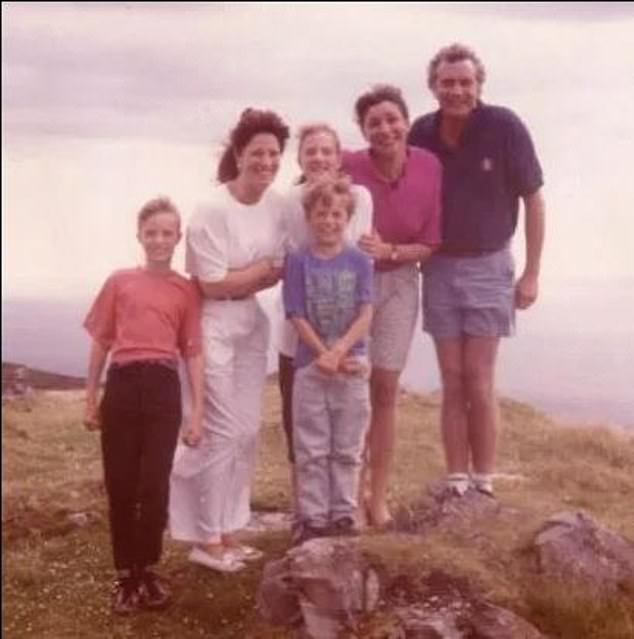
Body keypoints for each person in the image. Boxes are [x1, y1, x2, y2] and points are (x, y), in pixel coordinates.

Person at [408, 43, 545, 497]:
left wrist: (531, 272)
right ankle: (456, 479)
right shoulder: (421, 133)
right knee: (451, 378)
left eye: (465, 82)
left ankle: (483, 481)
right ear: (434, 86)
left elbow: (534, 199)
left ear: (478, 85)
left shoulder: (504, 126)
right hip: (439, 267)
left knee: (479, 378)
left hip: (490, 264)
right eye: (448, 82)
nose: (457, 90)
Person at [169, 108, 289, 572]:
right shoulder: (212, 210)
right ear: (239, 154)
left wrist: (247, 277)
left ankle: (231, 528)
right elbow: (211, 284)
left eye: (274, 153)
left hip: (250, 324)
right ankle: (205, 537)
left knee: (247, 431)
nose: (266, 161)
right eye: (257, 152)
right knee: (218, 433)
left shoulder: (278, 205)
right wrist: (257, 272)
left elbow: (275, 268)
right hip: (211, 325)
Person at [83, 197, 203, 615]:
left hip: (163, 385)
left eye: (166, 233)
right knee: (121, 484)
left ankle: (148, 569)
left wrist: (198, 411)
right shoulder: (119, 282)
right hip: (123, 383)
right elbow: (100, 340)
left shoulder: (185, 288)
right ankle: (125, 576)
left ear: (177, 237)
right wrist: (90, 398)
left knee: (154, 484)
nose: (158, 240)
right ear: (139, 235)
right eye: (151, 232)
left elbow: (192, 351)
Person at [343, 85, 443, 527]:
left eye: (392, 119)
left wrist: (391, 252)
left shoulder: (429, 166)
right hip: (350, 286)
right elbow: (304, 196)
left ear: (406, 120)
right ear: (363, 131)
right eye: (374, 123)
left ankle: (376, 496)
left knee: (384, 392)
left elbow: (431, 243)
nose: (385, 129)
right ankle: (346, 496)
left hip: (400, 282)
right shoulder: (348, 165)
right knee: (349, 391)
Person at [277, 123, 372, 502]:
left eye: (326, 151)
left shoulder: (357, 196)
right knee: (304, 433)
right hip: (303, 341)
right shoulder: (290, 200)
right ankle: (308, 512)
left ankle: (347, 509)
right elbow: (285, 254)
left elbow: (354, 244)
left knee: (348, 433)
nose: (318, 158)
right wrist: (323, 353)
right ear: (299, 158)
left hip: (348, 339)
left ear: (339, 156)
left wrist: (340, 351)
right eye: (310, 151)